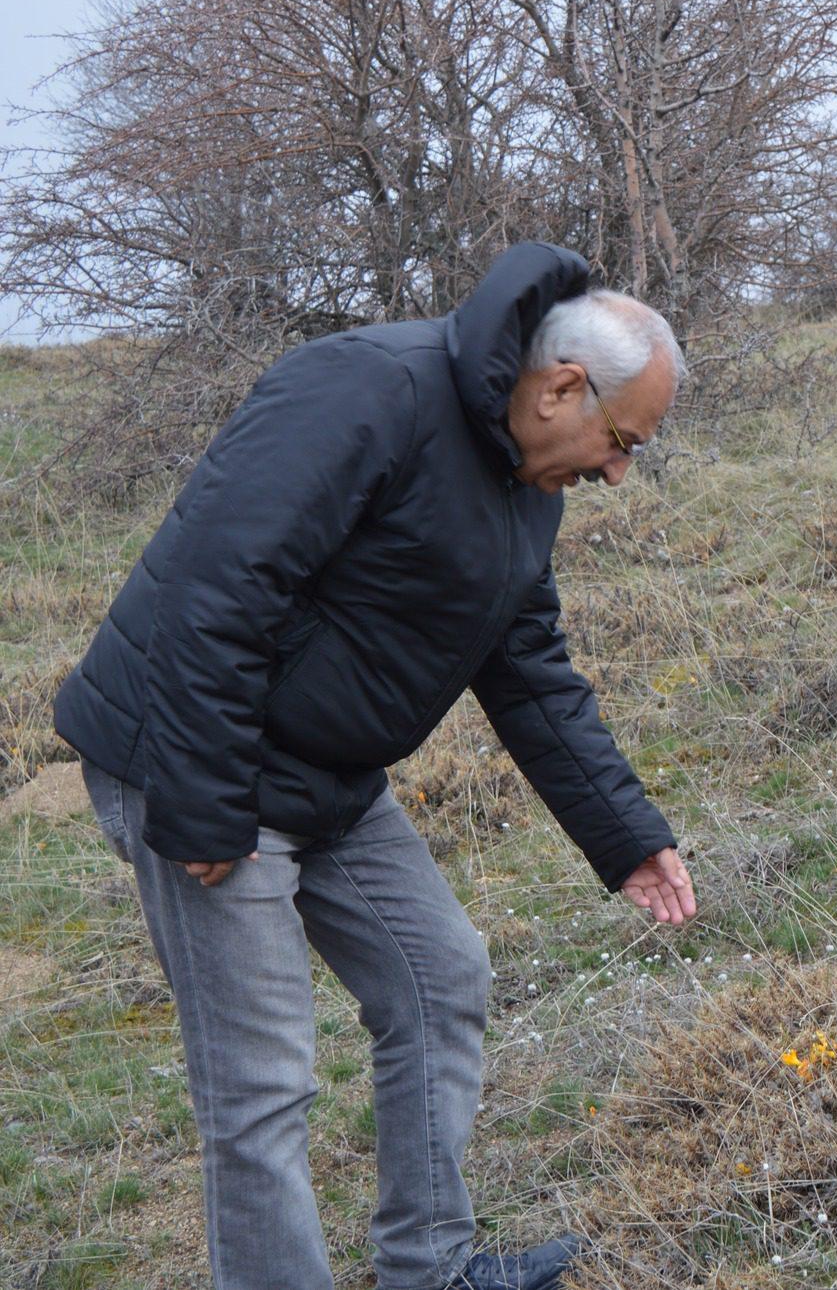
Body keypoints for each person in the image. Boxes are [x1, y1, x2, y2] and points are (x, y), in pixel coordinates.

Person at [54, 242, 697, 1289]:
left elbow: (527, 668)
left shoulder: (523, 482)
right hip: (196, 759)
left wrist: (625, 836)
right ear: (562, 387)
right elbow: (217, 587)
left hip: (329, 781)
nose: (618, 472)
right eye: (619, 441)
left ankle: (429, 1266)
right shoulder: (366, 388)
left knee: (440, 980)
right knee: (262, 1083)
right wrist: (207, 805)